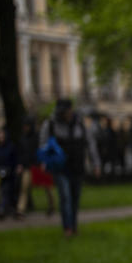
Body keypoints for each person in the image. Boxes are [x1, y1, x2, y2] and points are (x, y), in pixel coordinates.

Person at [41, 98, 87, 236]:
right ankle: (67, 227)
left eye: (66, 111)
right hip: (60, 167)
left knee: (75, 198)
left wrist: (96, 163)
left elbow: (88, 143)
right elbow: (43, 144)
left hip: (77, 166)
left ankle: (73, 225)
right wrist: (45, 161)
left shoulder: (79, 124)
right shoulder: (50, 124)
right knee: (65, 196)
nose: (64, 115)